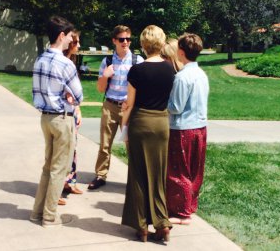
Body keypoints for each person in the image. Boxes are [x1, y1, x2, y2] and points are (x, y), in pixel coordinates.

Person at [121, 25, 174, 242]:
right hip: (161, 123)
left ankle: (141, 226)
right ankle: (162, 224)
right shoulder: (170, 69)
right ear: (162, 43)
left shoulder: (137, 70)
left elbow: (129, 104)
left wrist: (124, 128)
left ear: (143, 44)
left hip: (140, 122)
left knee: (138, 174)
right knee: (159, 175)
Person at [30, 16, 83, 227]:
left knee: (48, 167)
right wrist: (68, 97)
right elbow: (78, 96)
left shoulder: (39, 59)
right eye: (70, 36)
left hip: (45, 119)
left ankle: (37, 213)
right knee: (59, 169)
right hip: (62, 119)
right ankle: (50, 216)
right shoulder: (65, 64)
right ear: (62, 36)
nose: (72, 40)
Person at [88, 25, 144, 190]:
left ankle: (134, 178)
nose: (125, 42)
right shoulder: (107, 61)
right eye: (121, 39)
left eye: (128, 39)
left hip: (129, 107)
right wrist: (105, 76)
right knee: (105, 144)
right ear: (114, 41)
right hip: (110, 105)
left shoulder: (137, 61)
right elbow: (100, 88)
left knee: (131, 144)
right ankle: (100, 175)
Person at [166, 33, 209, 225]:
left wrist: (162, 100)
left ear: (181, 52)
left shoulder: (182, 77)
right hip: (200, 127)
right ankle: (190, 204)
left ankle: (181, 211)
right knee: (194, 169)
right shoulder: (201, 74)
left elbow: (175, 107)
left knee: (178, 170)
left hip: (182, 128)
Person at [62, 32, 83, 197]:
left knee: (73, 148)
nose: (79, 46)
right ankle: (60, 186)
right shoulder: (63, 63)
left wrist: (78, 109)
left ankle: (71, 182)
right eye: (77, 43)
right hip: (64, 111)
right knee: (65, 149)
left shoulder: (72, 61)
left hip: (73, 110)